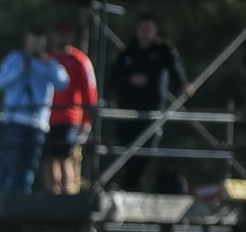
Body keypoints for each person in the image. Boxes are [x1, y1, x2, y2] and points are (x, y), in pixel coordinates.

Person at [108, 13, 192, 193]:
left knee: (146, 149)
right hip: (128, 110)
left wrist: (183, 85)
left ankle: (131, 184)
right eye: (142, 28)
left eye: (149, 29)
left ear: (155, 30)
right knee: (126, 149)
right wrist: (130, 79)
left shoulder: (163, 51)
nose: (145, 32)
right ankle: (128, 184)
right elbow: (113, 80)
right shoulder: (128, 52)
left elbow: (176, 71)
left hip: (152, 110)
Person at [0, 28, 69, 194]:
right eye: (32, 39)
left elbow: (63, 82)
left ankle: (21, 202)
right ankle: (1, 201)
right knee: (10, 164)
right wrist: (20, 70)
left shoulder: (49, 64)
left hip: (37, 123)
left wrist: (48, 63)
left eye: (39, 40)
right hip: (15, 120)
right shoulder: (15, 59)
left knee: (28, 168)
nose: (35, 44)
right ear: (26, 40)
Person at [41, 21, 98, 195]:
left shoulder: (79, 60)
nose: (62, 38)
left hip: (69, 118)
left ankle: (66, 195)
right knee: (47, 159)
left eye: (66, 34)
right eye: (59, 33)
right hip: (45, 117)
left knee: (64, 158)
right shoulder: (45, 58)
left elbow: (89, 92)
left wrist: (87, 121)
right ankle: (51, 194)